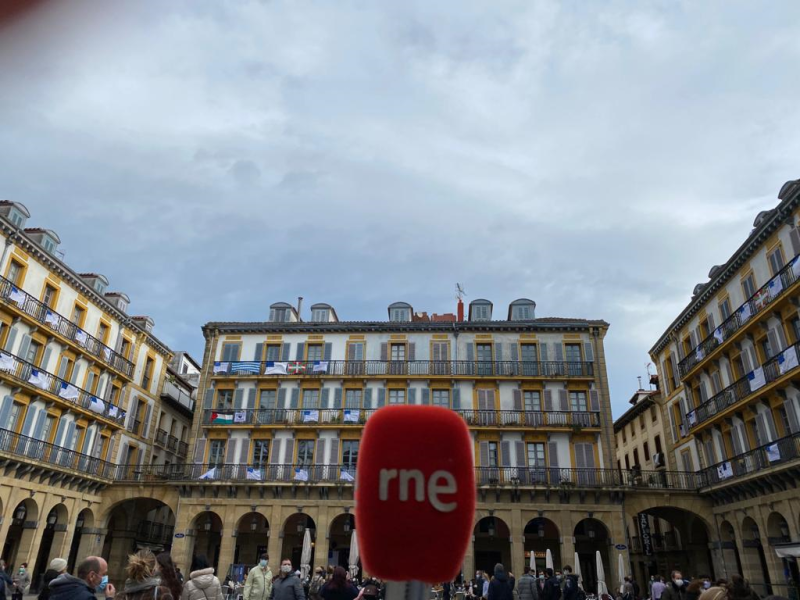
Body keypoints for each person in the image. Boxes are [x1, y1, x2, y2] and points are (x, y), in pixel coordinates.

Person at [49, 556, 116, 600]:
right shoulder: (87, 597)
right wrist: (109, 598)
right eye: (103, 574)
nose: (105, 578)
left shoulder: (61, 588)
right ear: (92, 576)